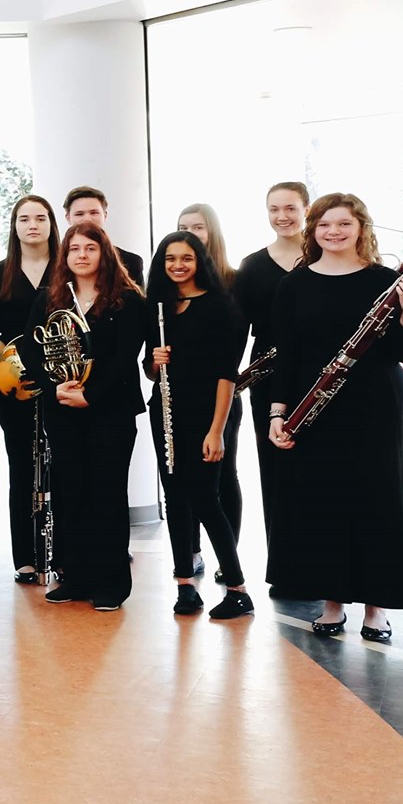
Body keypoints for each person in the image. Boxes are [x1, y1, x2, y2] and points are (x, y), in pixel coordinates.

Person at [266, 193, 403, 642]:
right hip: (318, 408)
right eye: (324, 225)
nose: (334, 232)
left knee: (378, 504)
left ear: (361, 227)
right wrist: (278, 412)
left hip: (379, 408)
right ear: (312, 230)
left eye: (344, 224)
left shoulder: (386, 280)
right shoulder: (294, 285)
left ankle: (376, 609)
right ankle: (332, 602)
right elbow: (288, 356)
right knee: (325, 506)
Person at [36, 223, 148, 612]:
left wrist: (91, 395)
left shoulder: (128, 300)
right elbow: (35, 354)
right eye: (74, 249)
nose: (81, 255)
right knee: (72, 493)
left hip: (110, 411)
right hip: (63, 410)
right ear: (64, 257)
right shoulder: (50, 300)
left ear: (105, 253)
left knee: (108, 494)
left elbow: (124, 358)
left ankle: (112, 582)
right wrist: (55, 389)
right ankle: (76, 576)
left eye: (90, 248)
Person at [143, 232, 251, 620]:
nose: (178, 265)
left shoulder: (220, 306)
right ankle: (185, 585)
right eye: (170, 258)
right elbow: (151, 372)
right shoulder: (158, 307)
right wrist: (156, 361)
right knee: (175, 498)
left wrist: (216, 430)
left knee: (206, 497)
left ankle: (238, 588)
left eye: (186, 258)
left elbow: (227, 374)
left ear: (199, 261)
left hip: (206, 413)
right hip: (166, 411)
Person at [232, 180, 308, 561]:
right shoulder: (252, 265)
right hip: (269, 373)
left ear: (306, 209)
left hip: (319, 368)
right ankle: (285, 562)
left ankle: (324, 563)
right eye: (274, 209)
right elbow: (238, 329)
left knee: (318, 465)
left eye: (291, 208)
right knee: (274, 465)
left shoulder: (323, 256)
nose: (282, 217)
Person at [0, 194, 55, 586]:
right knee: (22, 470)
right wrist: (11, 370)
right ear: (14, 226)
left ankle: (59, 552)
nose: (32, 225)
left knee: (61, 470)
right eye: (24, 218)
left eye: (40, 218)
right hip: (14, 386)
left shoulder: (65, 268)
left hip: (61, 382)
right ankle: (25, 559)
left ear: (50, 224)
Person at [64, 186, 146, 285]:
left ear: (105, 215)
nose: (87, 219)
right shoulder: (56, 261)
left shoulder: (130, 262)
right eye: (79, 214)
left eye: (94, 213)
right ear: (68, 218)